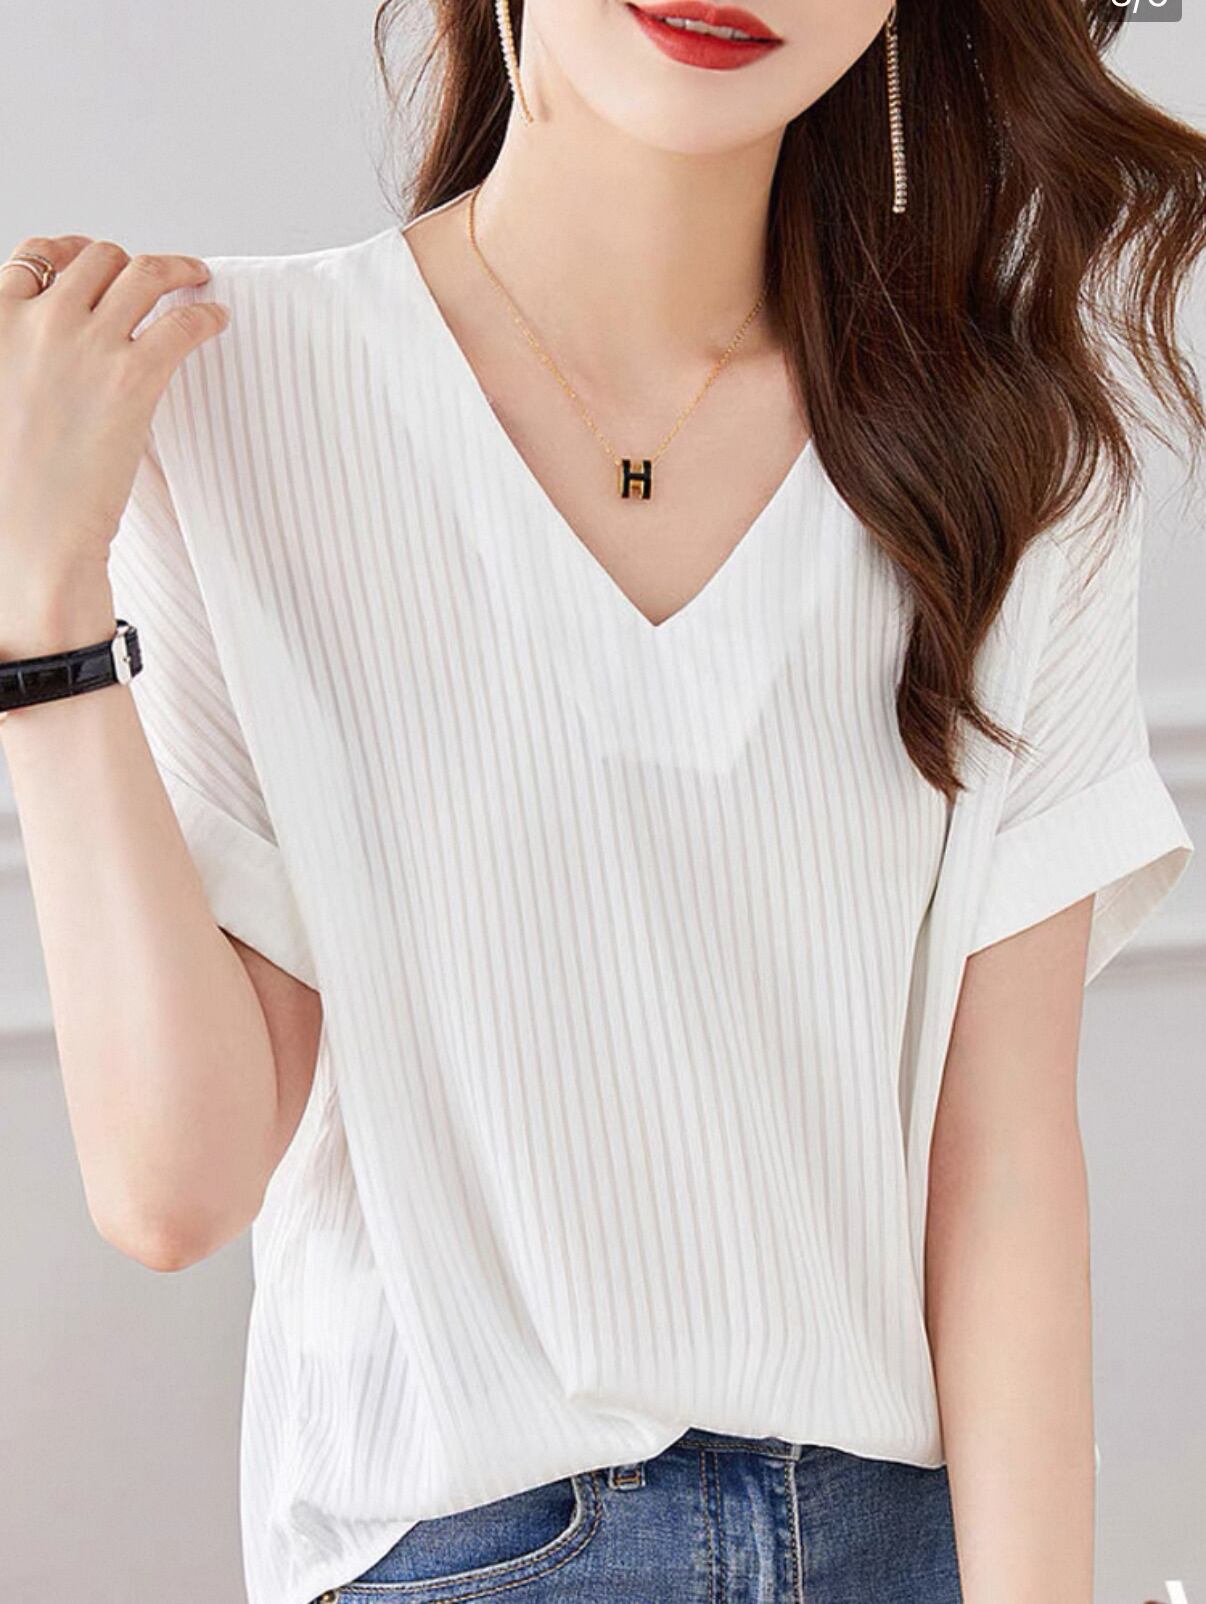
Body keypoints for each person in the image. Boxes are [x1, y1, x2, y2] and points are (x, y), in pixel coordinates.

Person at [1, 1, 1202, 1600]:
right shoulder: (217, 394)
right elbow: (176, 1184)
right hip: (475, 1557)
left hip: (900, 1546)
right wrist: (40, 600)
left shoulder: (1010, 457)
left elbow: (1002, 1170)